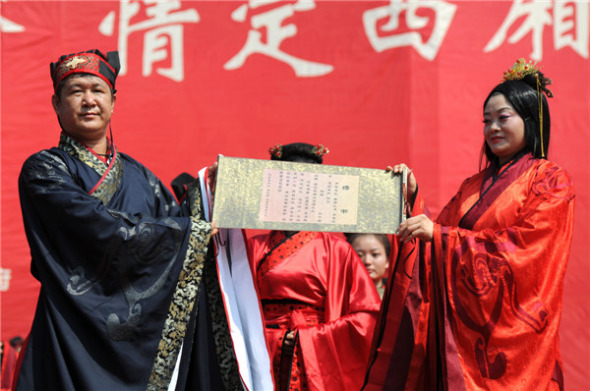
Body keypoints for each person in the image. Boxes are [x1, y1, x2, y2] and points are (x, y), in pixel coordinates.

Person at [14, 49, 241, 391]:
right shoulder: (44, 170)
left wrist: (208, 195)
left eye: (97, 90)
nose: (88, 100)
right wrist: (189, 232)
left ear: (113, 101)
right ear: (56, 104)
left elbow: (178, 224)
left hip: (135, 340)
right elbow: (93, 223)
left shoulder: (140, 177)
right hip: (69, 329)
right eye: (76, 91)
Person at [364, 59, 575, 390]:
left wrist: (439, 236)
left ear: (531, 121)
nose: (492, 128)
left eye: (503, 118)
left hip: (515, 341)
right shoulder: (472, 185)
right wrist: (411, 198)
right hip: (462, 336)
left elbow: (529, 252)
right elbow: (437, 236)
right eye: (486, 121)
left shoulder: (550, 180)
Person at [247, 143, 381, 391]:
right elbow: (234, 314)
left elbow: (367, 317)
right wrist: (272, 339)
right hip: (263, 355)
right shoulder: (253, 248)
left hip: (317, 355)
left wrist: (308, 339)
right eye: (286, 186)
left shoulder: (338, 250)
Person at [346, 233, 390, 299]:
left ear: (387, 261)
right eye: (359, 255)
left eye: (375, 254)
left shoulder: (396, 293)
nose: (367, 261)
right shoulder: (340, 295)